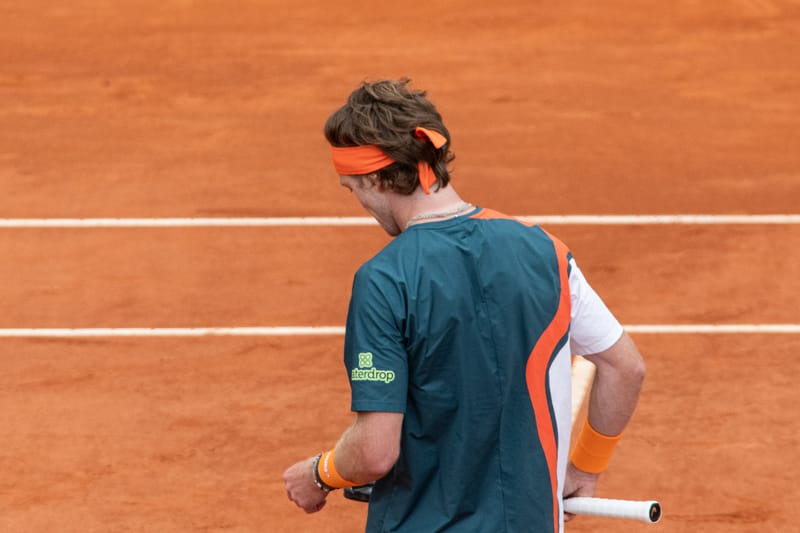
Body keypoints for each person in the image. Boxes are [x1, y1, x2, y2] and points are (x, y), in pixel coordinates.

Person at [283, 78, 646, 532]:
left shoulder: (384, 279)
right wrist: (585, 470)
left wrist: (320, 472)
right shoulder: (546, 251)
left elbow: (375, 451)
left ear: (377, 177)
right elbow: (625, 368)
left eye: (352, 188)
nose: (358, 202)